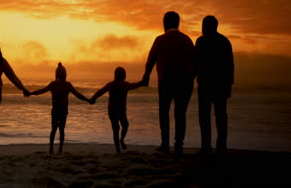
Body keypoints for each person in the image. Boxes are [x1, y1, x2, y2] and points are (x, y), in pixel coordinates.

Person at [141, 11, 195, 157]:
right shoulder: (187, 40)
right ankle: (178, 145)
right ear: (178, 23)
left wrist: (146, 77)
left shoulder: (160, 40)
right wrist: (191, 77)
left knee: (164, 112)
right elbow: (195, 61)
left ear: (165, 23)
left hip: (166, 81)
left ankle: (165, 144)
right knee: (180, 113)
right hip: (185, 82)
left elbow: (151, 60)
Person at [25, 62, 91, 154]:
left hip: (56, 109)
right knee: (61, 129)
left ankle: (51, 148)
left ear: (56, 75)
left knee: (54, 129)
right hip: (63, 110)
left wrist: (31, 93)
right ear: (65, 75)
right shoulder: (67, 85)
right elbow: (78, 95)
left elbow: (41, 91)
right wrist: (88, 100)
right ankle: (60, 149)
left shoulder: (53, 84)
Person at [195, 15, 234, 157]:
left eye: (203, 25)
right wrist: (229, 85)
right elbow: (230, 66)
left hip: (205, 84)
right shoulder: (224, 41)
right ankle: (221, 146)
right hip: (220, 84)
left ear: (206, 26)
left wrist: (191, 78)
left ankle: (206, 147)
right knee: (221, 116)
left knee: (204, 117)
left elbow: (196, 64)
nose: (202, 28)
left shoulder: (201, 41)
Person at [90, 67, 143, 154]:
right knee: (125, 125)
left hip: (111, 110)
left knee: (116, 129)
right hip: (120, 110)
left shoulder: (110, 84)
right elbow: (135, 85)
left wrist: (93, 98)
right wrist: (142, 82)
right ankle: (121, 140)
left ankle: (118, 149)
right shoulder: (125, 84)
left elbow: (100, 91)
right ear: (124, 75)